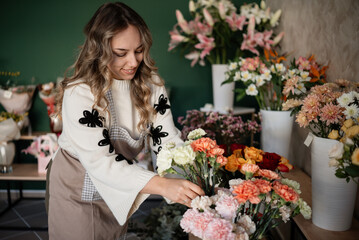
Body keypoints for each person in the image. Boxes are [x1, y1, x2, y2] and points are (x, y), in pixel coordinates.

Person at [47, 2, 204, 239]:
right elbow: (101, 162)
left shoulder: (152, 85)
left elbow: (167, 141)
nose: (133, 62)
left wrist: (188, 181)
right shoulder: (80, 92)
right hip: (75, 192)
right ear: (99, 50)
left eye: (139, 50)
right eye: (121, 53)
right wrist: (163, 185)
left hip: (121, 188)